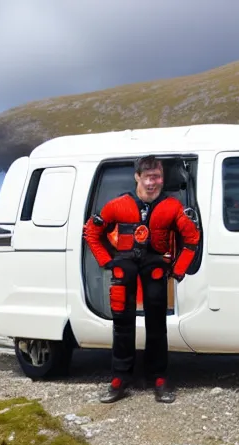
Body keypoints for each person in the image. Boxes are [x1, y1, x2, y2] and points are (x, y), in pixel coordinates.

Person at [83, 155, 200, 404]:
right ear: (137, 177)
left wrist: (178, 271)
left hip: (156, 270)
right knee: (121, 326)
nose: (152, 182)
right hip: (123, 272)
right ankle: (119, 378)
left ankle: (159, 378)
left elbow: (192, 238)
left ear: (162, 178)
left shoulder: (172, 208)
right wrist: (106, 262)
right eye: (147, 177)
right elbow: (92, 231)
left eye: (156, 177)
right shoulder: (117, 206)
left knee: (157, 326)